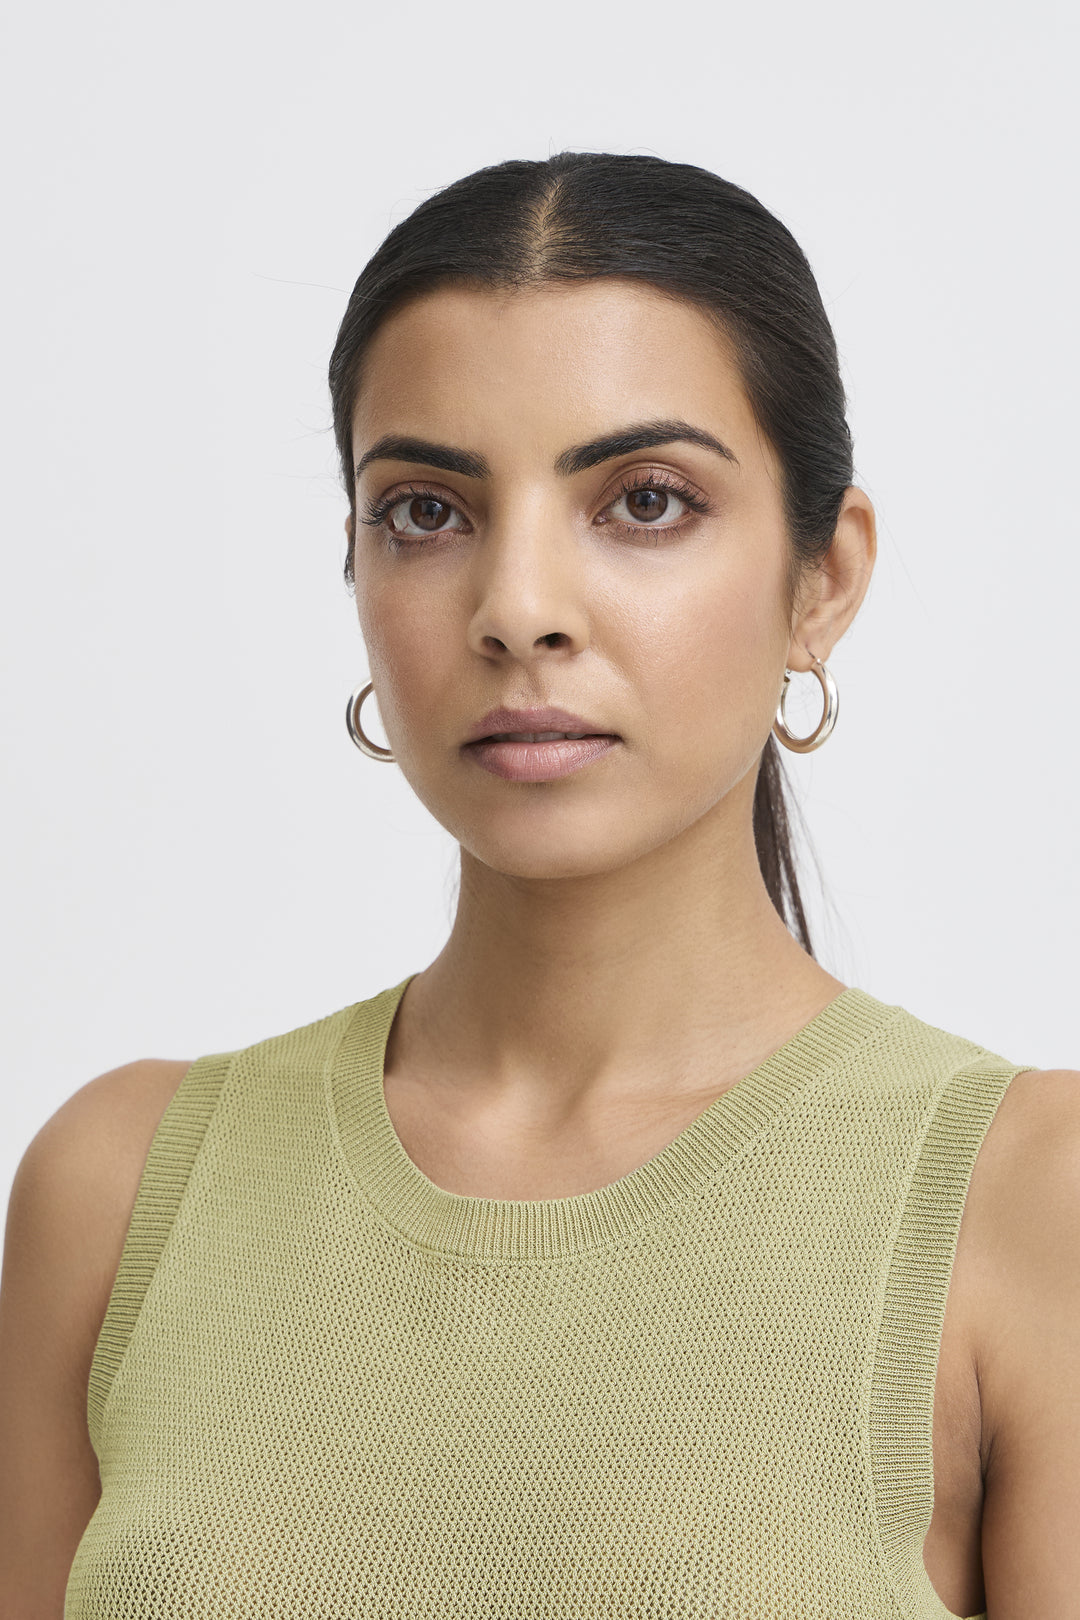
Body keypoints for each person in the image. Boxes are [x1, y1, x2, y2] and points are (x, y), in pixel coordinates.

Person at [1, 151, 1077, 1620]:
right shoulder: (123, 1189)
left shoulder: (1027, 1199)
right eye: (426, 512)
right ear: (357, 569)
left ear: (822, 578)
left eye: (646, 501)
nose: (517, 610)